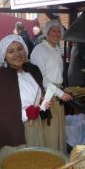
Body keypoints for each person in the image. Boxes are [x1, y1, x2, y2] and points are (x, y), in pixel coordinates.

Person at [0, 34, 48, 169]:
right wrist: (26, 113)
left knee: (35, 165)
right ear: (4, 55)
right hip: (14, 131)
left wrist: (42, 103)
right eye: (11, 51)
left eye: (20, 49)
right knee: (17, 167)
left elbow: (37, 94)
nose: (17, 54)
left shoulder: (33, 70)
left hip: (36, 126)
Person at [30, 19, 73, 154]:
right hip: (47, 97)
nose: (56, 34)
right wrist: (60, 94)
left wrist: (61, 90)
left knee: (58, 130)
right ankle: (49, 161)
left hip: (57, 94)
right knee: (50, 132)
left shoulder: (55, 49)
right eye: (53, 31)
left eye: (59, 31)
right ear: (47, 33)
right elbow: (41, 78)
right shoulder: (40, 50)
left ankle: (59, 159)